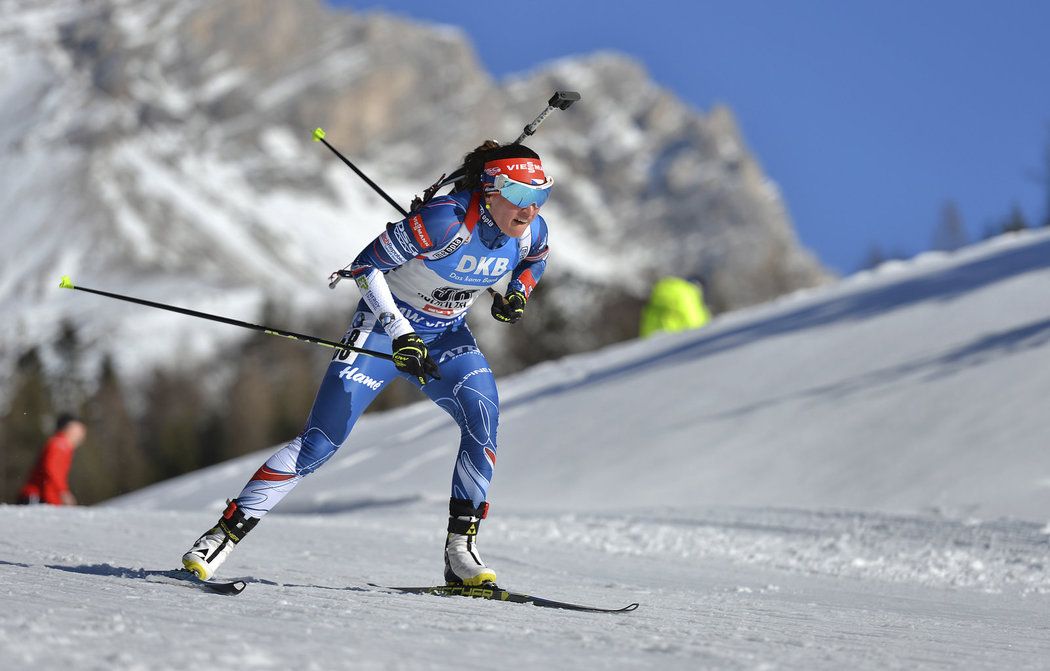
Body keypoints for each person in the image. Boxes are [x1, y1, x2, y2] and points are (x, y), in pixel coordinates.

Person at [182, 141, 552, 586]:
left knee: (483, 417)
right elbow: (363, 268)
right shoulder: (443, 221)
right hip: (382, 329)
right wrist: (400, 333)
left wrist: (519, 293)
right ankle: (222, 535)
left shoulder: (531, 230)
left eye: (540, 196)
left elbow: (536, 258)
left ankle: (461, 553)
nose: (531, 209)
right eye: (521, 196)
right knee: (320, 443)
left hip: (446, 336)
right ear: (490, 191)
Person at [17, 413, 87, 506]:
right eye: (79, 430)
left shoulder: (60, 445)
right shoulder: (59, 445)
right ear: (69, 428)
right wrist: (63, 493)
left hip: (37, 497)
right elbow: (52, 470)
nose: (82, 434)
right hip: (36, 497)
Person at [639, 276, 711, 337]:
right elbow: (694, 319)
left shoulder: (661, 292)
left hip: (653, 338)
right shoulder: (688, 295)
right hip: (678, 339)